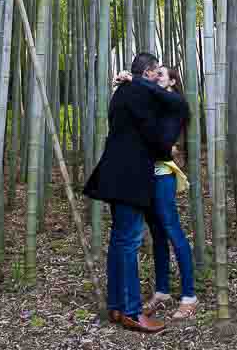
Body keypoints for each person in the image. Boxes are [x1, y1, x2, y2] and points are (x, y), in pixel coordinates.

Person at [83, 52, 188, 334]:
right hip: (131, 177)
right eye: (156, 74)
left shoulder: (120, 94)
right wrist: (167, 150)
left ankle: (116, 307)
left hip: (113, 174)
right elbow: (170, 117)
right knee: (128, 242)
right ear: (148, 73)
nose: (158, 80)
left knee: (119, 241)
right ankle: (131, 312)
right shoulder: (140, 94)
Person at [143, 66, 197, 320]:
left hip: (163, 175)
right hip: (146, 174)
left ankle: (189, 295)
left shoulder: (176, 103)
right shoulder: (156, 104)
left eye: (161, 74)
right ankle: (162, 290)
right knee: (157, 233)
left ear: (173, 81)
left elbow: (162, 142)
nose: (155, 77)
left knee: (172, 229)